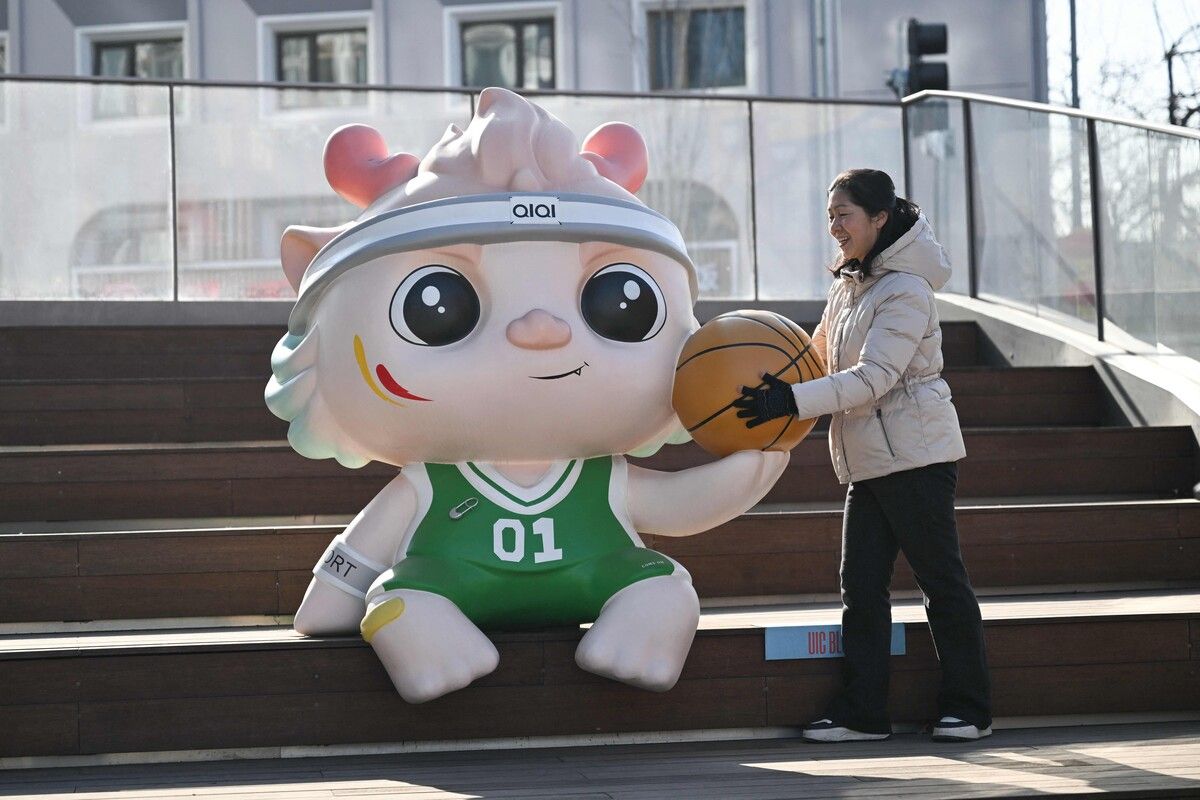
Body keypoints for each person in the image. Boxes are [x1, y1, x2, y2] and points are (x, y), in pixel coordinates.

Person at [734, 168, 992, 743]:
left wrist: (789, 403)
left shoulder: (906, 289)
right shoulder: (851, 283)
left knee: (941, 583)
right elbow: (817, 352)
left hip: (917, 457)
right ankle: (864, 713)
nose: (835, 227)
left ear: (880, 217)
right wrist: (764, 381)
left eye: (844, 215)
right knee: (861, 586)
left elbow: (873, 378)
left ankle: (970, 708)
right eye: (830, 216)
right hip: (870, 458)